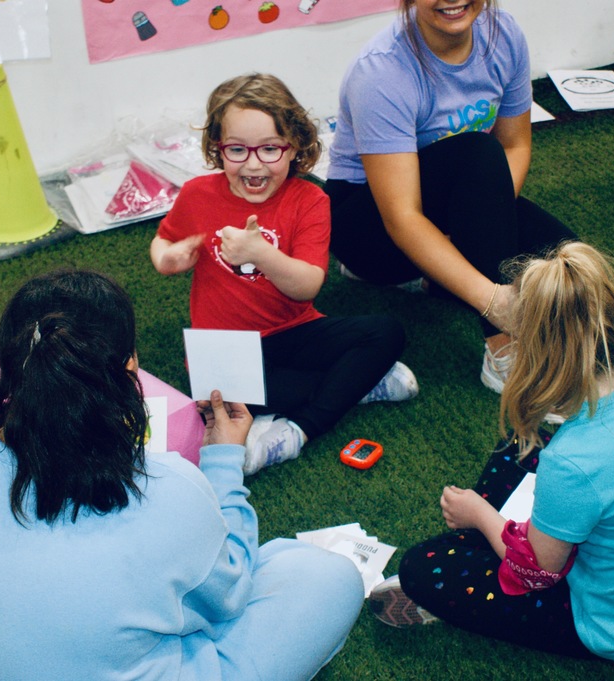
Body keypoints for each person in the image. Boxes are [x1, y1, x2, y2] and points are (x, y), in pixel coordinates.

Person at [0, 270, 365, 680]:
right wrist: (224, 459)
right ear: (131, 367)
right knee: (326, 576)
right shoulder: (164, 486)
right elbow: (230, 594)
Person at [367, 243, 614, 662]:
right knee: (521, 443)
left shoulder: (573, 462)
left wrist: (480, 514)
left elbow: (535, 573)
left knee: (421, 568)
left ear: (538, 358)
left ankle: (479, 543)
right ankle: (500, 536)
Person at [152, 73, 417, 475]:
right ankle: (355, 386)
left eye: (270, 149)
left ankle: (296, 431)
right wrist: (166, 257)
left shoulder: (310, 199)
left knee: (387, 331)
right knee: (230, 397)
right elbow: (163, 240)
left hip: (294, 330)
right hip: (225, 352)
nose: (254, 164)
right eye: (237, 149)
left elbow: (307, 286)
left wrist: (260, 253)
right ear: (217, 149)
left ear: (294, 148)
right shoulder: (196, 194)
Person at [324, 0, 578, 395]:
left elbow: (515, 146)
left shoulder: (504, 35)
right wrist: (495, 302)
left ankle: (432, 278)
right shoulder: (381, 71)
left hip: (446, 199)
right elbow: (402, 217)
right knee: (476, 152)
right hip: (368, 228)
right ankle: (501, 350)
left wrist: (477, 219)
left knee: (569, 258)